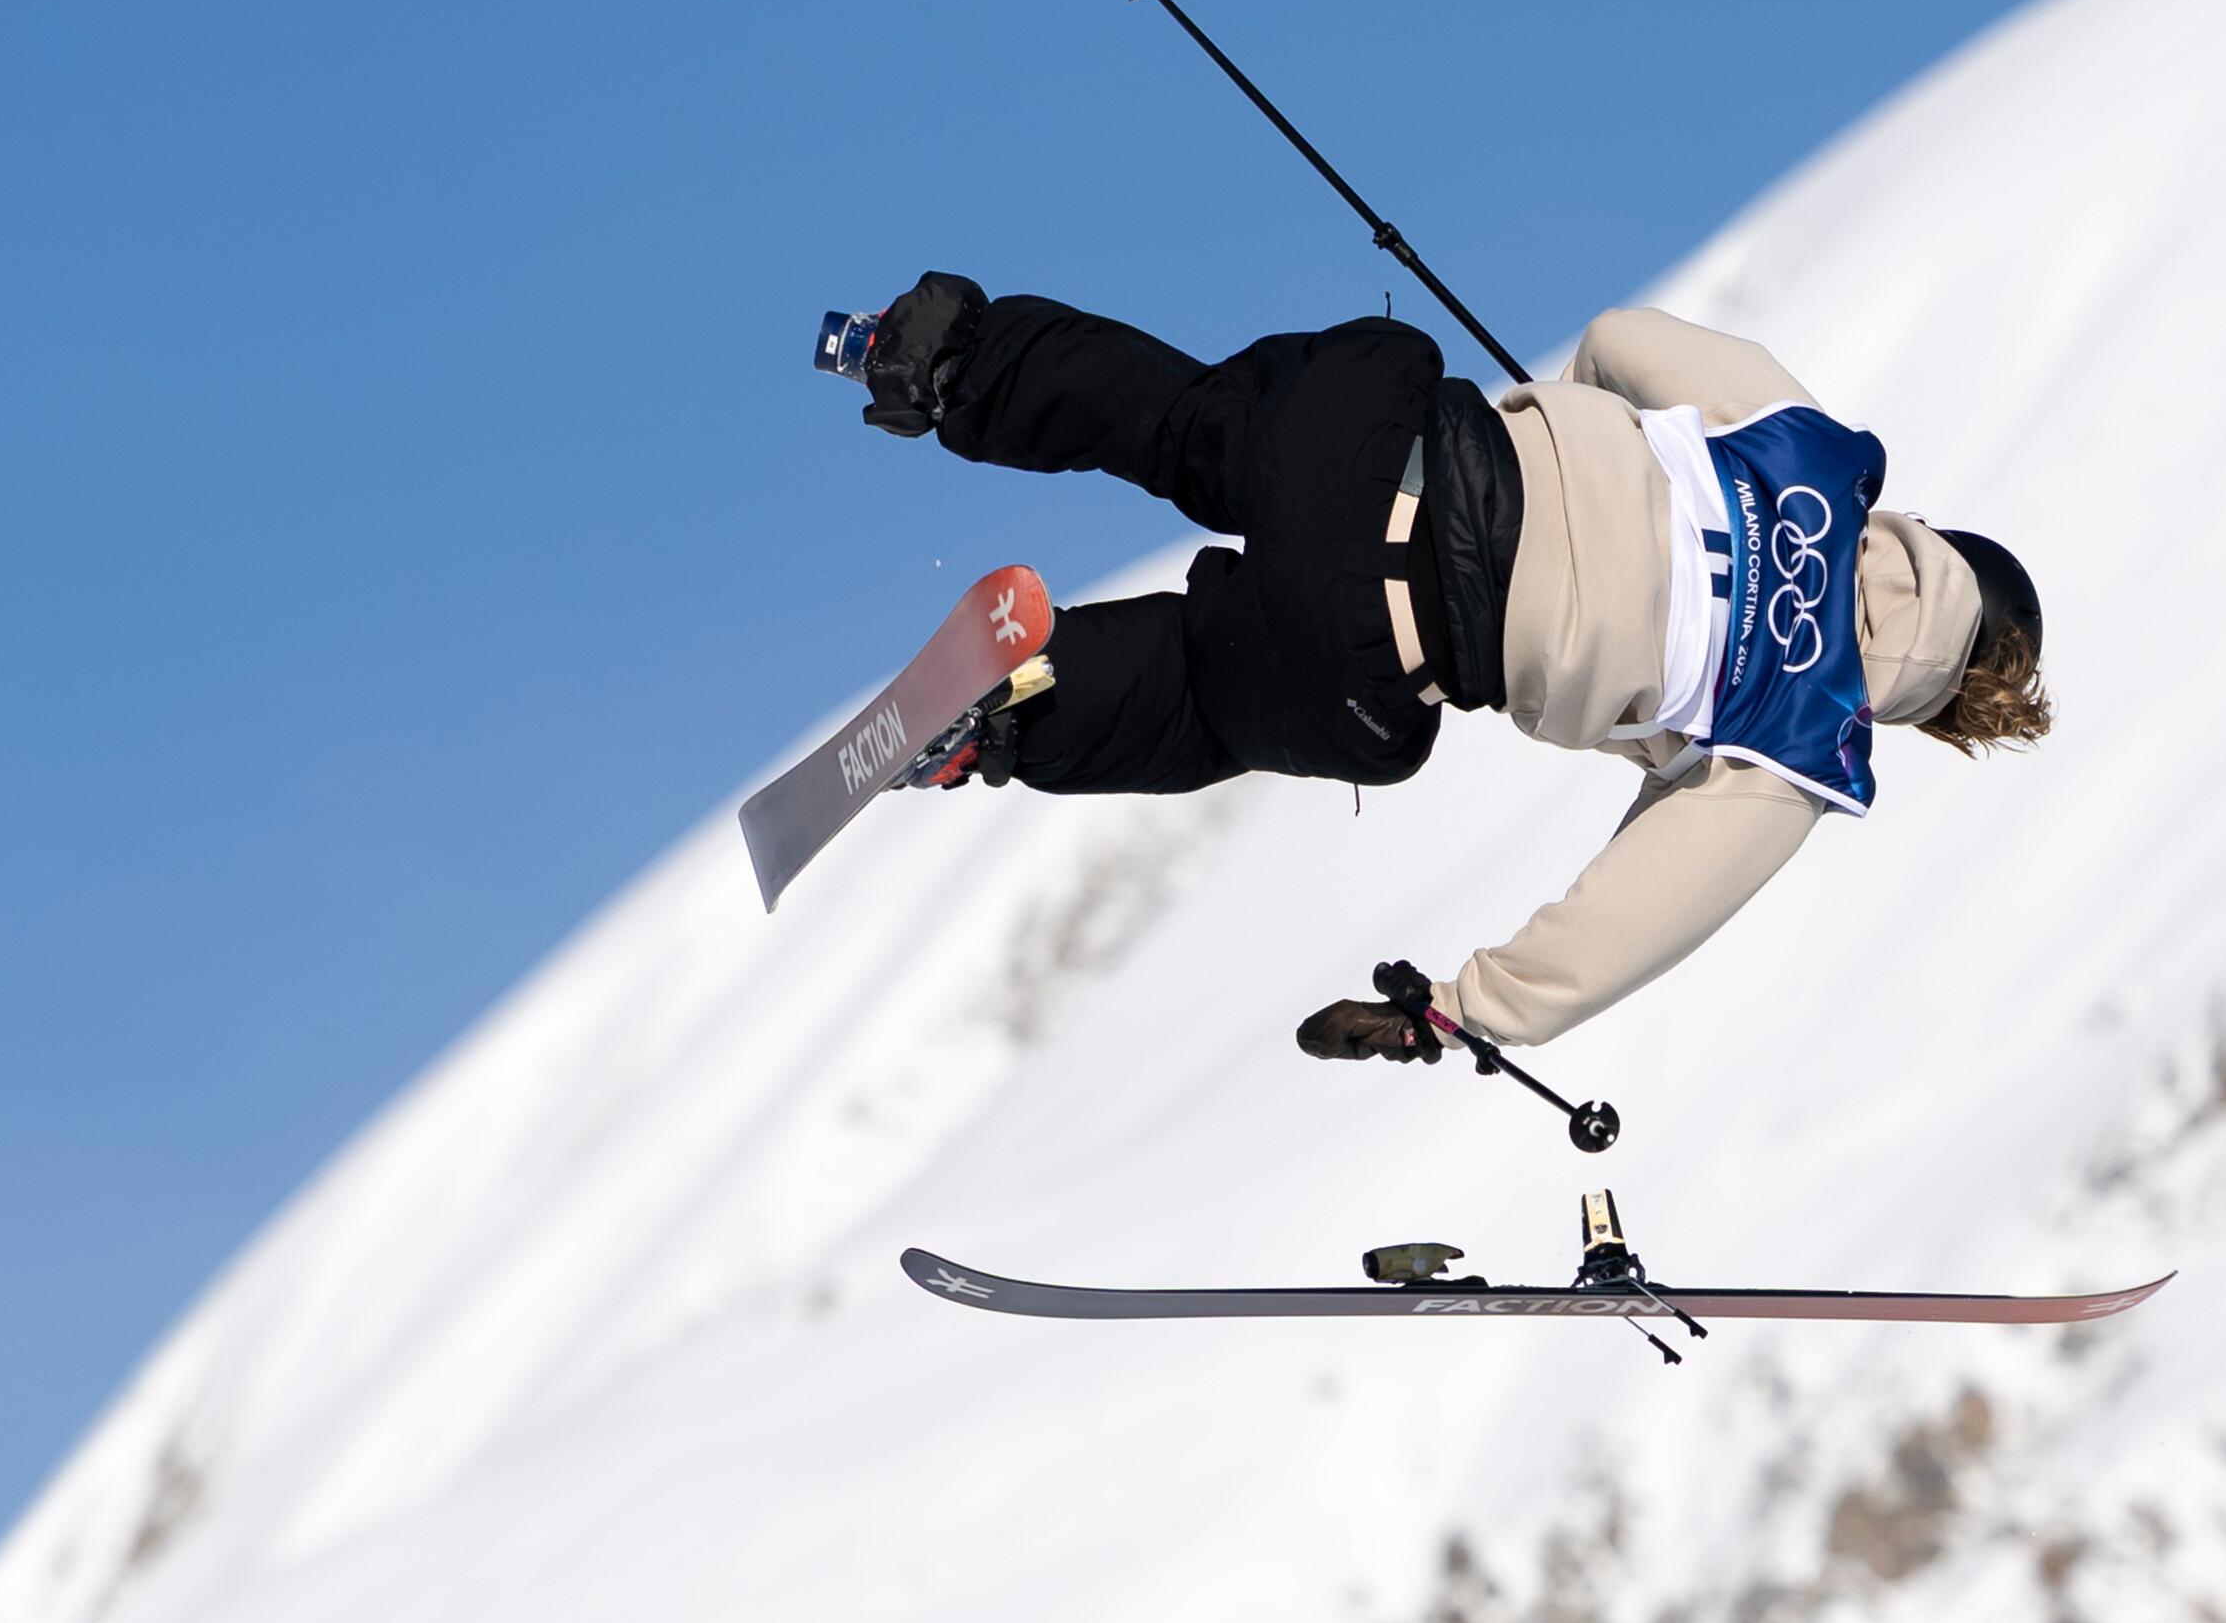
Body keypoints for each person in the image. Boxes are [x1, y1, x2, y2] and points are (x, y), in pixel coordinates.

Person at [838, 272, 2050, 1058]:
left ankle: (952, 357)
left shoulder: (1812, 443)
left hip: (1384, 430)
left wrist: (1569, 436)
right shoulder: (1803, 741)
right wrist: (1458, 1012)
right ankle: (1007, 715)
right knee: (1214, 692)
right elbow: (1635, 914)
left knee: (1189, 420)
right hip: (1377, 634)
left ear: (1931, 541)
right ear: (1941, 708)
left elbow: (1624, 338)